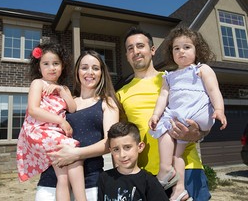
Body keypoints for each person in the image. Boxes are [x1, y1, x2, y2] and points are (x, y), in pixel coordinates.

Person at [116, 26, 211, 201]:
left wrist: (197, 132)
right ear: (127, 55)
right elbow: (120, 137)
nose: (135, 51)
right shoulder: (120, 93)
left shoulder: (176, 78)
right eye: (130, 48)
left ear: (152, 50)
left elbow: (204, 112)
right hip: (148, 174)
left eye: (140, 46)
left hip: (187, 168)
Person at [148, 26, 227, 200]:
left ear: (197, 50)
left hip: (197, 112)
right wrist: (155, 114)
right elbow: (163, 97)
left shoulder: (201, 69)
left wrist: (219, 110)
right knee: (177, 152)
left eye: (186, 47)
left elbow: (214, 90)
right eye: (176, 48)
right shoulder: (169, 76)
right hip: (180, 116)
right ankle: (179, 189)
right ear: (171, 52)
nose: (181, 51)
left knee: (166, 129)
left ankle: (165, 169)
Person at [35, 50, 122, 201]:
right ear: (77, 71)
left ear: (102, 73)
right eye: (84, 67)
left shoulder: (107, 103)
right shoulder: (65, 102)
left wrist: (77, 154)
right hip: (52, 179)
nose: (90, 72)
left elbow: (111, 143)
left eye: (95, 68)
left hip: (90, 182)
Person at [17, 42, 87, 201]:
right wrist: (60, 121)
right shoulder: (38, 83)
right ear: (39, 67)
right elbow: (34, 109)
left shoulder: (64, 88)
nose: (51, 67)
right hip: (39, 131)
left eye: (56, 63)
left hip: (54, 135)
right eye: (46, 64)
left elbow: (73, 108)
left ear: (62, 66)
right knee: (74, 154)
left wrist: (61, 90)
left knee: (63, 177)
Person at [97, 121, 169, 201]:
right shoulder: (104, 178)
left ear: (140, 147)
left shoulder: (149, 181)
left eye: (127, 147)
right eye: (116, 149)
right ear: (111, 151)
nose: (122, 155)